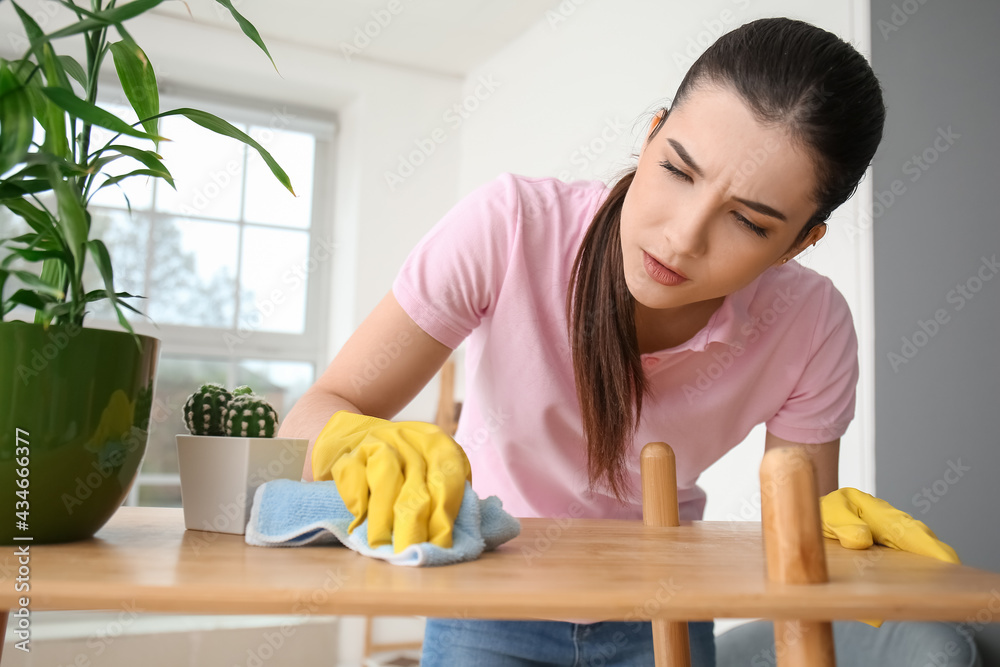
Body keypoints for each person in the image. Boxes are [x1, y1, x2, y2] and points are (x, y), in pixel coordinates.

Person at [280, 16, 973, 667]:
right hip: (485, 599)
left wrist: (837, 539)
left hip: (668, 609)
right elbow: (319, 407)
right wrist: (353, 437)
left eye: (751, 223)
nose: (682, 236)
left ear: (800, 241)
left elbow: (800, 532)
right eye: (677, 169)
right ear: (651, 136)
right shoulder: (510, 228)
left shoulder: (812, 324)